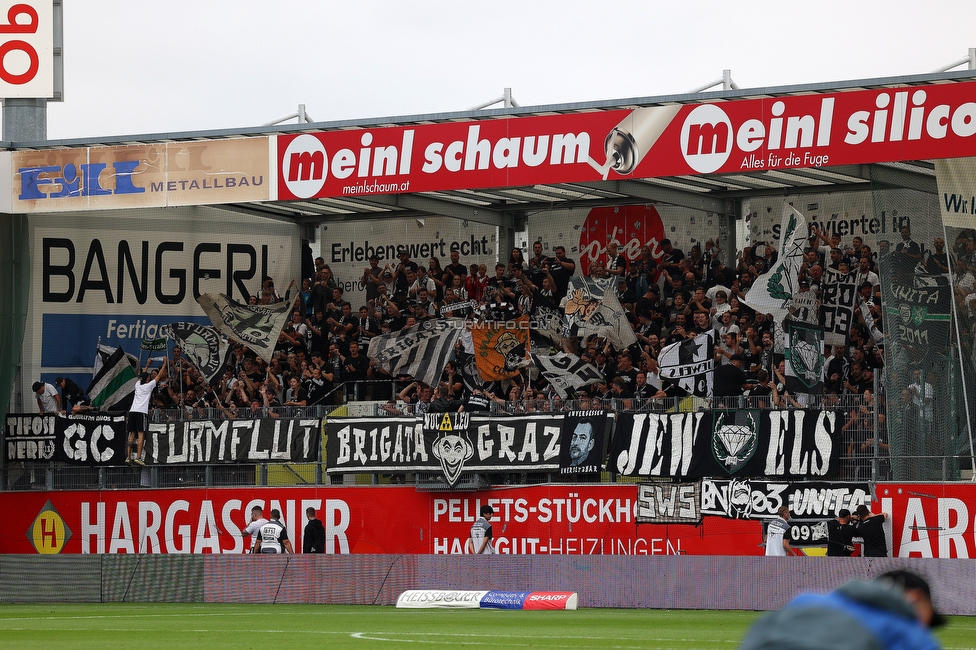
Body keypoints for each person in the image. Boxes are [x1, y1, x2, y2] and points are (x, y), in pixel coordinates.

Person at [738, 569, 945, 650]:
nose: (925, 626)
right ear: (914, 597)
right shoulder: (908, 632)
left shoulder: (804, 600)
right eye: (927, 619)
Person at [127, 358, 167, 465]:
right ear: (148, 379)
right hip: (141, 412)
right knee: (141, 435)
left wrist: (147, 365)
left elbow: (142, 375)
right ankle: (138, 457)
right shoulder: (149, 386)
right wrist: (164, 364)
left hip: (132, 412)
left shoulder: (137, 385)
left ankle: (128, 456)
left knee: (131, 434)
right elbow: (159, 376)